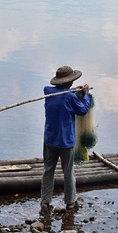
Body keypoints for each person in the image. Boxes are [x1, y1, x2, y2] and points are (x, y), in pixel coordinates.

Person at [41, 65, 90, 211]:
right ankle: (70, 203)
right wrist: (85, 94)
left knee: (48, 170)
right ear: (68, 82)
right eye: (72, 81)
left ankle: (45, 202)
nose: (73, 83)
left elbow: (62, 93)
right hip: (66, 141)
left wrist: (73, 91)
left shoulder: (48, 91)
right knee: (68, 172)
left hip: (50, 138)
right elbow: (82, 110)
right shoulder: (70, 97)